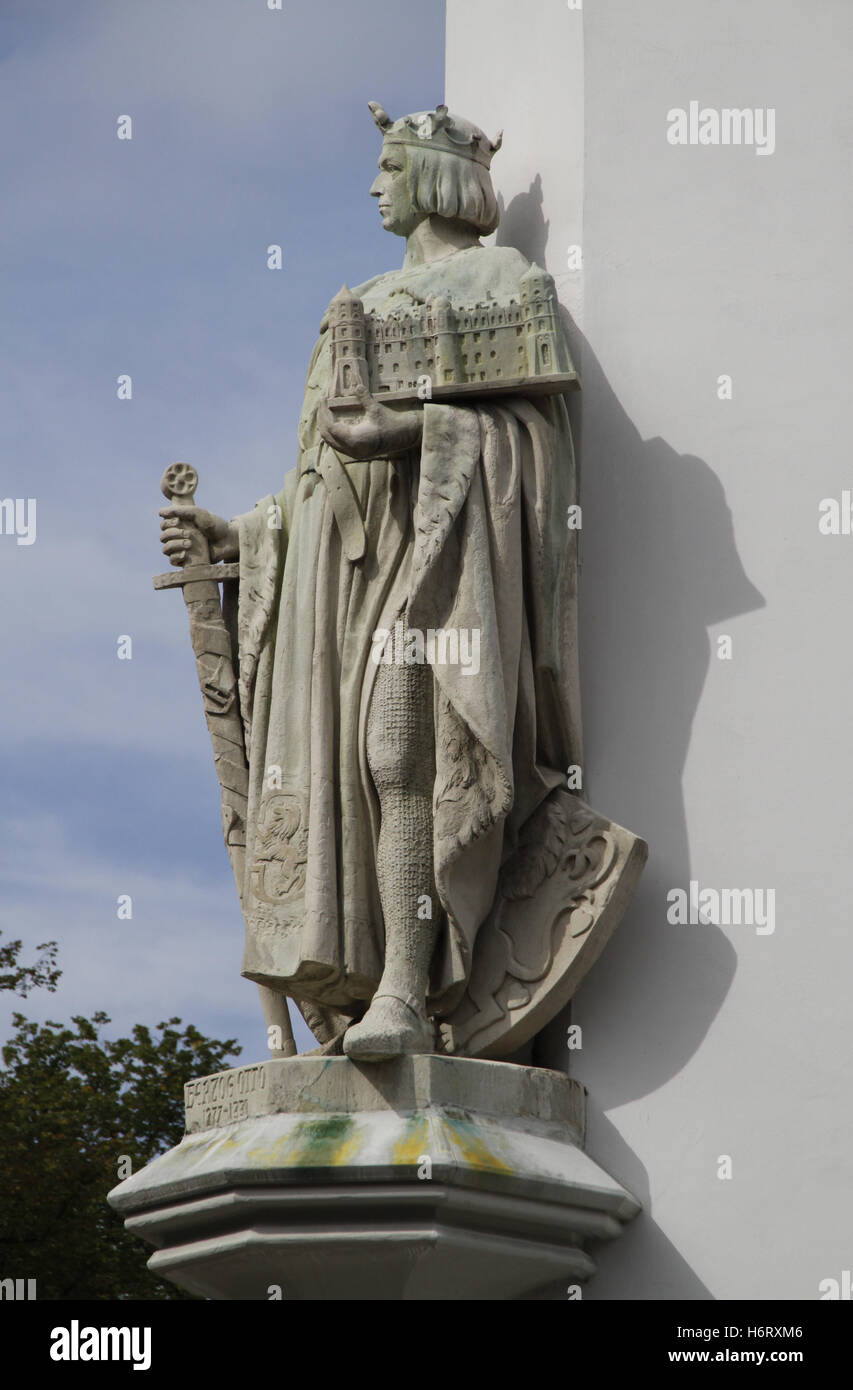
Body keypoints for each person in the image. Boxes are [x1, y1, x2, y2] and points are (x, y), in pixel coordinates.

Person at [159, 102, 581, 1061]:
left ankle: (405, 986)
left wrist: (408, 431)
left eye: (389, 167)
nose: (372, 185)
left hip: (433, 565)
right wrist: (240, 533)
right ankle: (359, 975)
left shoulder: (503, 280)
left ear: (434, 174)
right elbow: (317, 475)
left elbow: (532, 449)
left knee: (404, 760)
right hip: (338, 584)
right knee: (342, 771)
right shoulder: (357, 302)